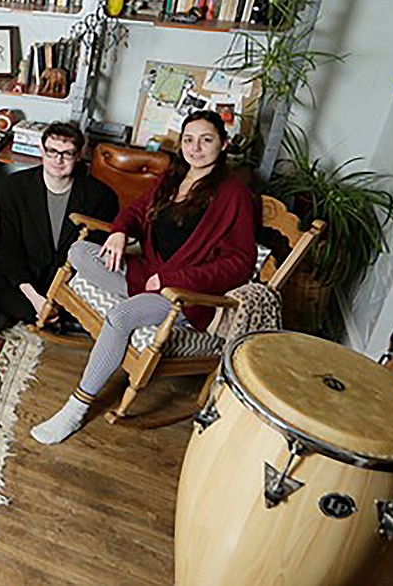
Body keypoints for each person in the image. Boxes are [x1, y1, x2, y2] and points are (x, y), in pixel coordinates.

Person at [31, 111, 257, 444]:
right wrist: (120, 232)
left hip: (182, 295)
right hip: (147, 275)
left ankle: (76, 407)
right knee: (79, 252)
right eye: (189, 140)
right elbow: (137, 211)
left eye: (206, 140)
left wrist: (170, 278)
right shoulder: (173, 177)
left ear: (223, 144)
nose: (195, 148)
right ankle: (139, 304)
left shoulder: (233, 194)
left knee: (120, 316)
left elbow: (240, 263)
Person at [0, 122, 119, 329]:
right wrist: (35, 298)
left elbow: (94, 255)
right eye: (52, 151)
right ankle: (43, 315)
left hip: (67, 282)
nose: (58, 160)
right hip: (24, 279)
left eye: (67, 154)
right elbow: (7, 247)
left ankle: (53, 315)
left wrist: (59, 298)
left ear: (79, 155)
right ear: (41, 151)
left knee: (102, 301)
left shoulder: (101, 197)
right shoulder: (13, 187)